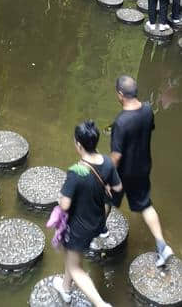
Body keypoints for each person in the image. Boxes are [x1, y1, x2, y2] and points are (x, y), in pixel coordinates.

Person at [51, 120, 121, 306]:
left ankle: (100, 304)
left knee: (75, 267)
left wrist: (60, 197)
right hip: (97, 222)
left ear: (79, 145)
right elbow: (118, 187)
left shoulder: (76, 171)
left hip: (78, 228)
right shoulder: (107, 162)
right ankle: (65, 289)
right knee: (72, 256)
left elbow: (65, 205)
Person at [111, 75, 174, 268]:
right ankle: (162, 245)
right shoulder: (147, 110)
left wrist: (106, 174)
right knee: (146, 205)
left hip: (123, 172)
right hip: (143, 167)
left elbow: (116, 155)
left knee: (106, 198)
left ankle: (99, 230)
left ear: (120, 95)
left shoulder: (121, 122)